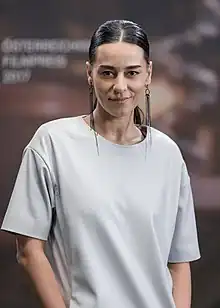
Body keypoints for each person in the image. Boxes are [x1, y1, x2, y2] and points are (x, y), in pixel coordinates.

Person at [1, 20, 200, 308]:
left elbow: (180, 262)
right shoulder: (53, 142)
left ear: (149, 75)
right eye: (108, 73)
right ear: (89, 74)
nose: (120, 86)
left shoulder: (168, 154)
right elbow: (29, 250)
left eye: (132, 73)